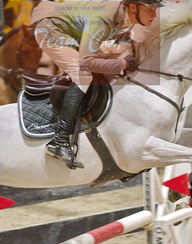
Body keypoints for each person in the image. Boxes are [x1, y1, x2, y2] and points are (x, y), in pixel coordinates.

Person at [31, 0, 164, 169]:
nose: (155, 15)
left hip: (71, 32)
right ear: (133, 7)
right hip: (50, 30)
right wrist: (121, 64)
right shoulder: (103, 19)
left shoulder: (126, 17)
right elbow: (86, 62)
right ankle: (59, 142)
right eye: (151, 10)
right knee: (83, 75)